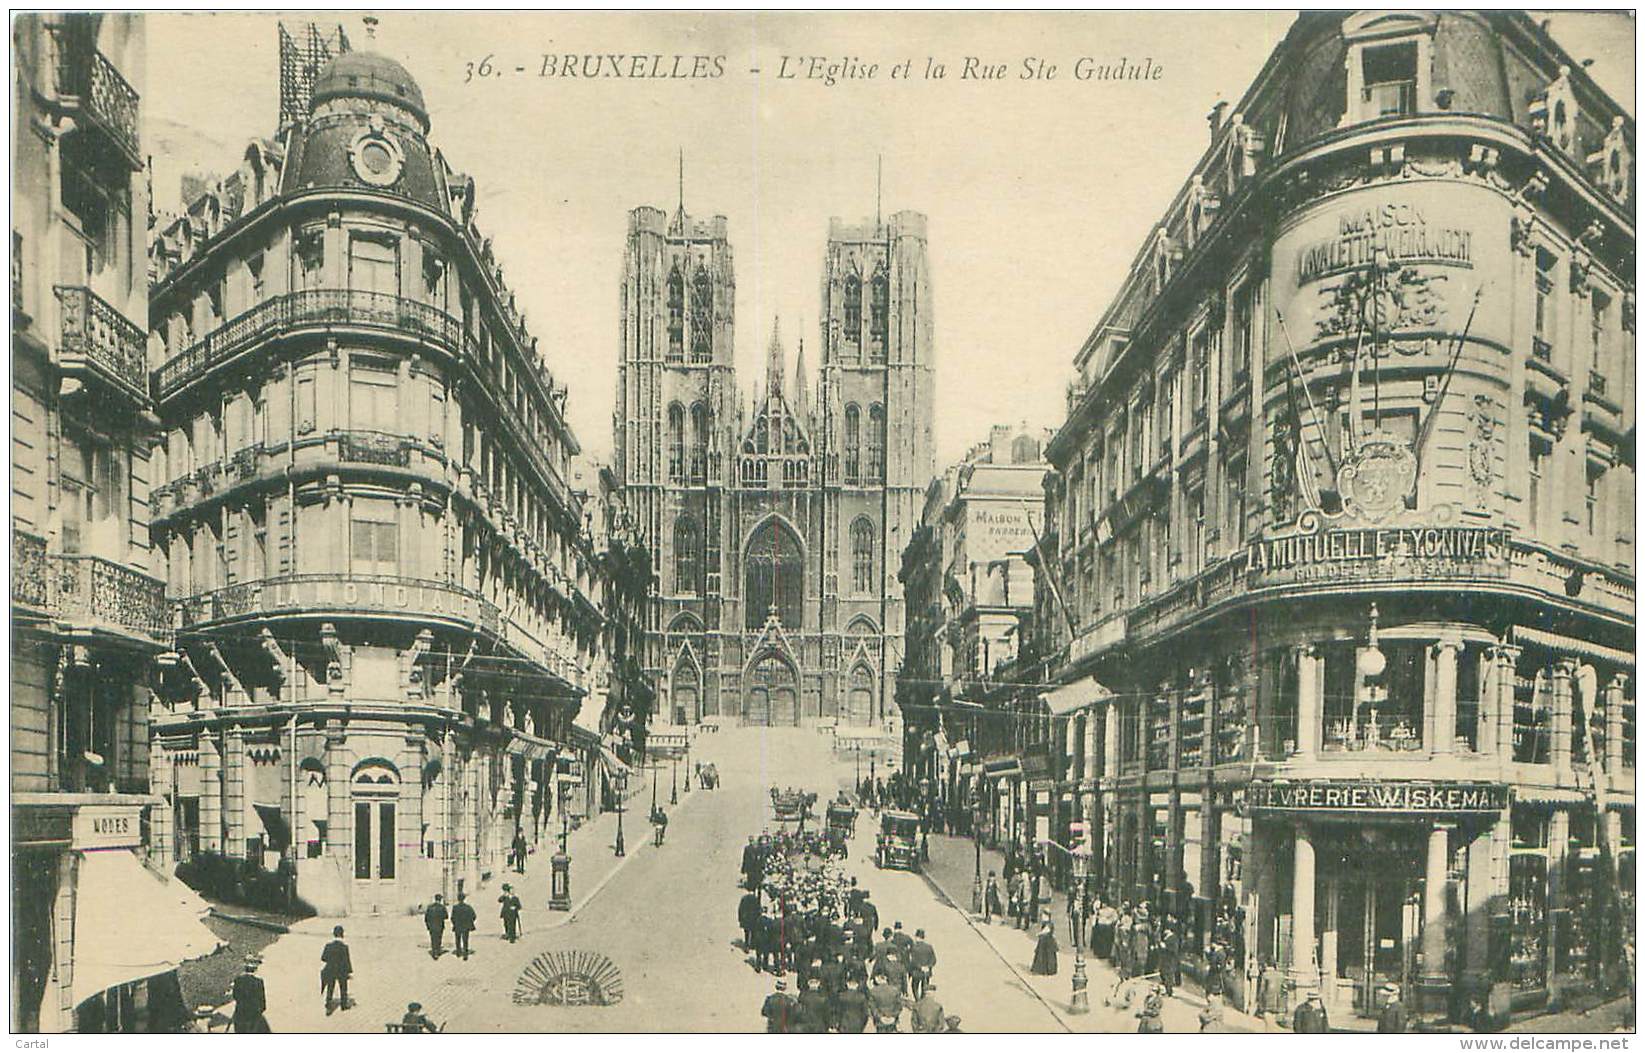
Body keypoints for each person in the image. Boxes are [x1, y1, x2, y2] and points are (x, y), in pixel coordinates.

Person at [230, 957, 269, 1033]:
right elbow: (262, 1001)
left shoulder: (238, 980)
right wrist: (260, 1011)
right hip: (253, 1014)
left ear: (245, 968)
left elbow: (235, 996)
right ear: (255, 969)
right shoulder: (258, 981)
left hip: (240, 1013)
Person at [321, 925, 353, 1013]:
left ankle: (328, 1004)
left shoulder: (328, 946)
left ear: (334, 934)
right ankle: (343, 1005)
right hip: (341, 970)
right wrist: (349, 972)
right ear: (342, 934)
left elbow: (323, 958)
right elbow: (347, 961)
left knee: (330, 987)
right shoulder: (344, 947)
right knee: (343, 987)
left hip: (330, 969)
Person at [908, 929, 936, 999]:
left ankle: (917, 1000)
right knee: (924, 987)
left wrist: (920, 967)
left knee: (914, 986)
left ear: (917, 937)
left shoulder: (914, 947)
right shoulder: (929, 947)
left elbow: (913, 961)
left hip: (916, 971)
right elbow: (934, 960)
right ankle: (922, 999)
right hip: (926, 972)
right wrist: (928, 966)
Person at [1031, 909, 1060, 975]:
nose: (1042, 917)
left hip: (1048, 942)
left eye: (1043, 916)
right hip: (1043, 942)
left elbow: (1046, 930)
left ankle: (1048, 970)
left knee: (1048, 956)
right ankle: (1041, 969)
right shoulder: (1045, 923)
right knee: (1042, 955)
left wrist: (1039, 934)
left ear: (1047, 916)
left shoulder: (1049, 923)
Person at [450, 892, 477, 960]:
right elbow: (474, 916)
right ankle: (465, 954)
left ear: (458, 899)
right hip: (466, 926)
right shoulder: (468, 907)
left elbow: (452, 917)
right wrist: (469, 922)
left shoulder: (455, 907)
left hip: (458, 926)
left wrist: (455, 923)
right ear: (464, 899)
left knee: (457, 939)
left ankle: (458, 953)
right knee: (465, 940)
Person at [1157, 924, 1181, 997]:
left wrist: (1165, 947)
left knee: (1168, 975)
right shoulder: (1167, 937)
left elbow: (1174, 950)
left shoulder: (1174, 938)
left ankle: (1169, 991)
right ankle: (1167, 989)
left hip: (1170, 960)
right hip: (1165, 959)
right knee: (1163, 973)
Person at [424, 894, 448, 959]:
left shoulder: (430, 907)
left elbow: (426, 918)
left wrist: (428, 925)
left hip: (431, 926)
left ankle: (434, 952)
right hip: (440, 925)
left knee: (433, 939)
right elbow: (446, 916)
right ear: (440, 900)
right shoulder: (442, 907)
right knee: (439, 938)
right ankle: (437, 951)